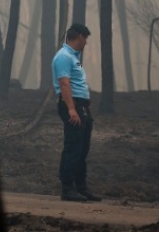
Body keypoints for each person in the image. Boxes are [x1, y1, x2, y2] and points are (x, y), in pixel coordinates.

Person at [52, 23, 101, 202]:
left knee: (83, 148)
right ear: (78, 36)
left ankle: (81, 186)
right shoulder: (63, 56)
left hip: (81, 105)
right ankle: (67, 188)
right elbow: (64, 83)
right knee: (73, 147)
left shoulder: (74, 57)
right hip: (72, 105)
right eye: (85, 38)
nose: (86, 43)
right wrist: (72, 109)